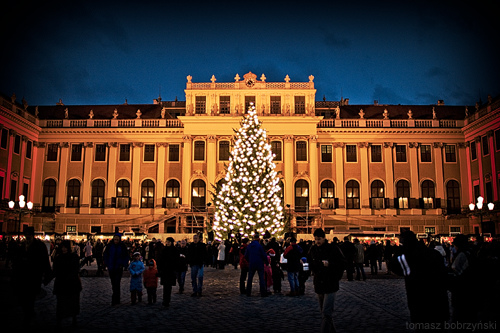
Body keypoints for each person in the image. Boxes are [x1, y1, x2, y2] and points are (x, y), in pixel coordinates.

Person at [390, 230, 449, 327]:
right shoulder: (434, 254)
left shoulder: (406, 257)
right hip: (439, 301)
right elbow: (444, 276)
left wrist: (398, 252)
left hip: (419, 300)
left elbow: (396, 268)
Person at [308, 228, 346, 333]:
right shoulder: (313, 249)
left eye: (319, 239)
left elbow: (342, 264)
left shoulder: (333, 248)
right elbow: (310, 263)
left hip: (331, 283)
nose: (317, 241)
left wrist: (330, 264)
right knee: (324, 313)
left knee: (326, 312)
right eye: (315, 239)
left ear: (324, 238)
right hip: (319, 283)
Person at [11, 227, 52, 320]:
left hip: (34, 275)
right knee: (24, 296)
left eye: (29, 235)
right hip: (23, 276)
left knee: (31, 295)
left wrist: (46, 274)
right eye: (26, 235)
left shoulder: (39, 246)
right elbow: (16, 261)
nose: (27, 237)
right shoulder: (21, 245)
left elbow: (45, 260)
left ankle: (29, 312)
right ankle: (28, 311)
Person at [53, 240, 82, 327]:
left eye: (65, 247)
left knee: (73, 302)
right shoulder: (58, 257)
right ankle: (59, 320)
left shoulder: (74, 257)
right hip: (62, 283)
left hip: (72, 283)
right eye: (62, 247)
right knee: (61, 303)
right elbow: (55, 270)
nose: (64, 249)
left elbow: (76, 269)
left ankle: (74, 319)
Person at [103, 233, 130, 305]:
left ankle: (115, 298)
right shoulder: (109, 246)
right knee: (113, 283)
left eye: (117, 239)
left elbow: (126, 256)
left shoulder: (122, 246)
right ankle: (116, 297)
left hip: (119, 267)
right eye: (115, 239)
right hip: (111, 267)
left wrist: (124, 264)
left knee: (117, 283)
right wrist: (107, 263)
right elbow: (105, 255)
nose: (116, 241)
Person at [158, 237, 179, 307]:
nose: (168, 243)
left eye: (169, 242)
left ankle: (167, 300)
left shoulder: (175, 250)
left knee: (169, 286)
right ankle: (165, 300)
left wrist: (175, 270)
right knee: (165, 286)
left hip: (171, 270)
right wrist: (159, 269)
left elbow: (176, 260)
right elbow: (160, 260)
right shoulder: (164, 250)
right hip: (164, 270)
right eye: (167, 241)